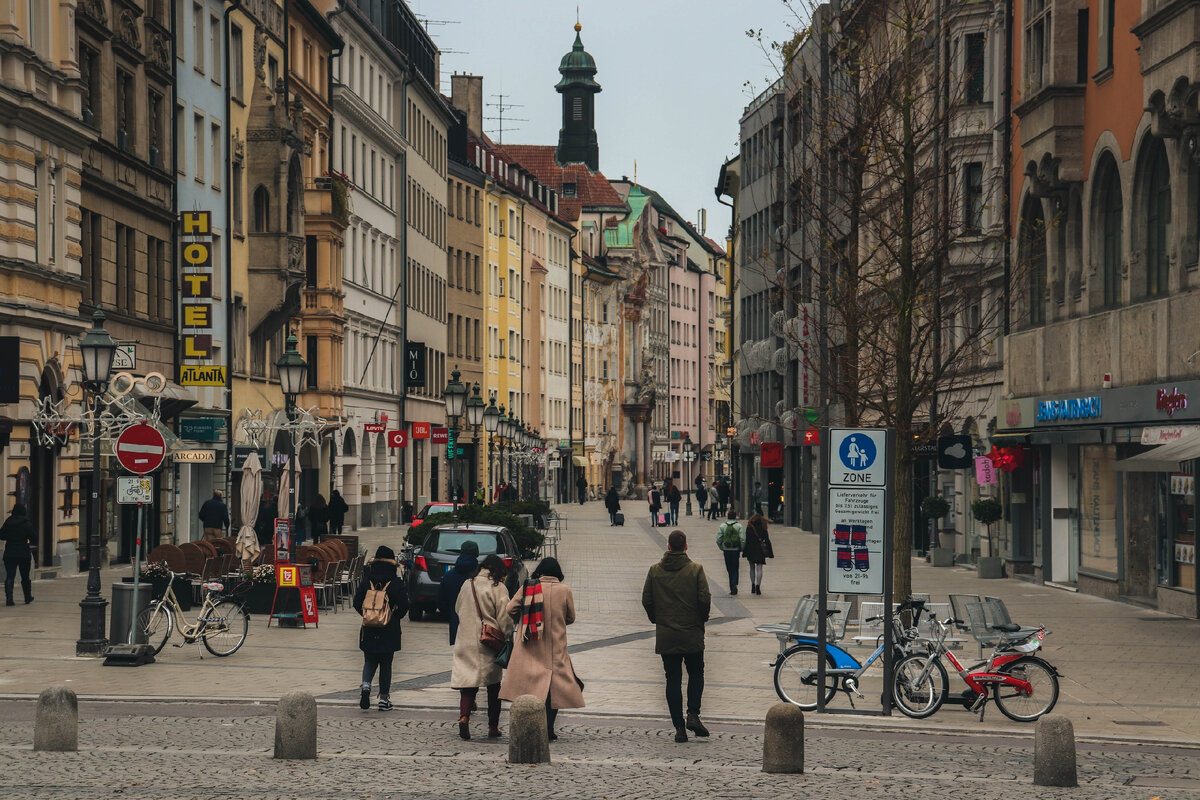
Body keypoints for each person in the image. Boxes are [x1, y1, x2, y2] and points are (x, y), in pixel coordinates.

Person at [499, 557, 585, 741]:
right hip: (556, 645)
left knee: (531, 686)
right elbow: (571, 618)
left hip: (530, 643)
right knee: (555, 688)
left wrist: (525, 615)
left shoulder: (528, 588)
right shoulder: (564, 590)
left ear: (540, 571)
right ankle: (549, 728)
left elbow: (510, 609)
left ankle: (529, 726)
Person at [641, 530, 711, 743]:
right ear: (686, 546)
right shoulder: (696, 570)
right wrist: (701, 620)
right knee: (696, 672)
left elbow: (647, 600)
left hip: (667, 635)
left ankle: (679, 728)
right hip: (692, 632)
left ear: (669, 547)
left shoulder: (654, 571)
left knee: (672, 679)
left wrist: (658, 620)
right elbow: (704, 599)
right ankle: (693, 714)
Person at [451, 554, 513, 740]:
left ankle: (464, 717)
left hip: (465, 640)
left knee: (468, 685)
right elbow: (505, 616)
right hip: (488, 642)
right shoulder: (498, 588)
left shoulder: (467, 584)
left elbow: (457, 608)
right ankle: (493, 727)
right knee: (494, 687)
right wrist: (508, 634)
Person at [352, 546, 409, 711]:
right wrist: (393, 616)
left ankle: (365, 686)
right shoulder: (395, 583)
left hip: (369, 628)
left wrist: (367, 615)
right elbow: (405, 606)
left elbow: (357, 603)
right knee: (386, 663)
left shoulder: (367, 581)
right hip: (389, 629)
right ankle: (384, 700)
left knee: (369, 660)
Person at [438, 540, 479, 643]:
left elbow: (440, 601)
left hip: (456, 625)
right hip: (477, 628)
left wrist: (452, 615)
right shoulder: (479, 576)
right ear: (476, 554)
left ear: (461, 552)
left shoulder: (448, 576)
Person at [1, 503, 37, 606]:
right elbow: (34, 537)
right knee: (25, 576)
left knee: (10, 576)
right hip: (23, 554)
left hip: (10, 553)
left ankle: (9, 599)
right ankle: (27, 597)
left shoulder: (8, 522)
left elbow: (1, 535)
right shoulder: (26, 523)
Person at [715, 511, 746, 595]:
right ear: (735, 516)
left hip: (727, 550)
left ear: (727, 516)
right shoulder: (739, 526)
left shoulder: (723, 526)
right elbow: (743, 539)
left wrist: (722, 548)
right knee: (735, 567)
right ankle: (734, 582)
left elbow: (718, 540)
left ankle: (731, 586)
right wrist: (741, 549)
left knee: (729, 568)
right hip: (735, 550)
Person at [743, 514, 775, 594]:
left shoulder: (749, 528)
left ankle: (753, 585)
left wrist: (744, 551)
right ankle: (758, 586)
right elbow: (767, 540)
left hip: (751, 549)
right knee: (759, 568)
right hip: (760, 550)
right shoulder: (763, 527)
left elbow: (746, 540)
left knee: (752, 568)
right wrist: (770, 553)